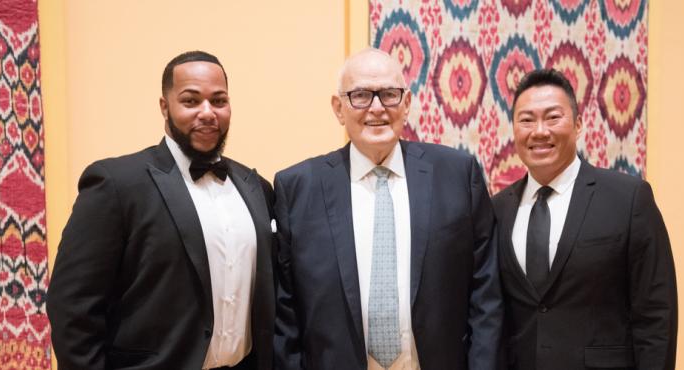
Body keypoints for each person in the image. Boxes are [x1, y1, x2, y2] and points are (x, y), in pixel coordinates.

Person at [272, 48, 503, 370]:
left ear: (406, 104)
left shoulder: (457, 174)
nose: (377, 108)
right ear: (338, 108)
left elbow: (486, 293)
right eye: (360, 96)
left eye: (389, 94)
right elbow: (286, 312)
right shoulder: (298, 188)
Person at [47, 51, 275, 370]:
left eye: (219, 100)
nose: (207, 112)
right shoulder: (116, 184)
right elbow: (73, 307)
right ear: (165, 106)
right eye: (191, 101)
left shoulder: (257, 188)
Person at [492, 69, 678, 370]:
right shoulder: (497, 210)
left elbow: (656, 313)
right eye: (526, 120)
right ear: (513, 129)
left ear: (578, 125)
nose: (539, 131)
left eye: (553, 117)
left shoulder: (628, 199)